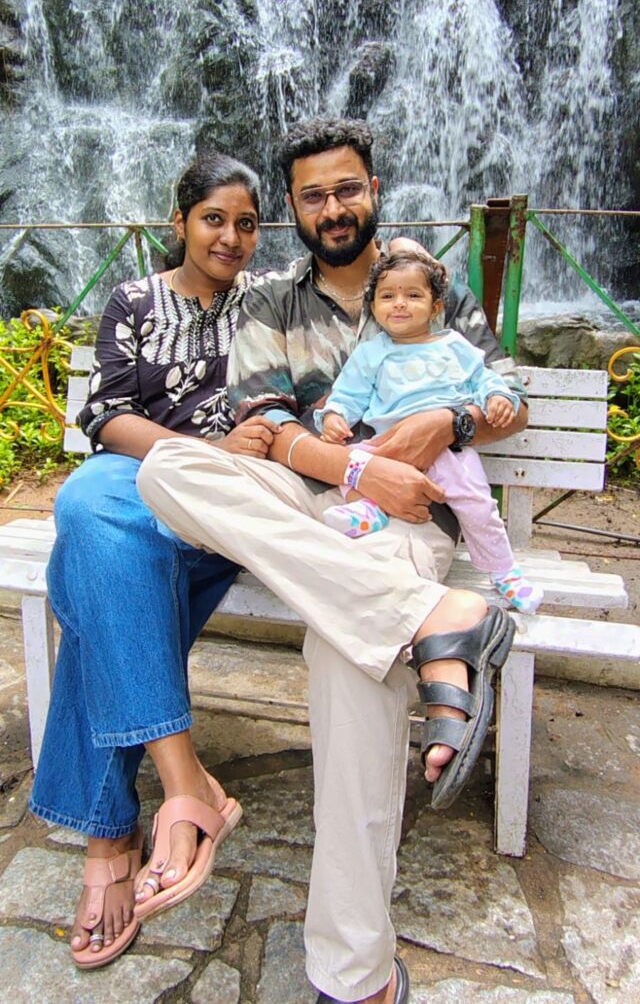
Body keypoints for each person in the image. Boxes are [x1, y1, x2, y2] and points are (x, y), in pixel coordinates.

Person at [137, 118, 527, 1004]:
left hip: (408, 514)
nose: (333, 208)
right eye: (313, 196)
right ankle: (428, 617)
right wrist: (357, 467)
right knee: (167, 469)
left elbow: (510, 395)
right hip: (307, 499)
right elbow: (263, 424)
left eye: (347, 189)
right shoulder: (273, 301)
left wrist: (450, 422)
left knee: (350, 649)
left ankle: (354, 976)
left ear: (374, 191)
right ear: (294, 207)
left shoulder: (434, 286)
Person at [29, 152, 281, 969]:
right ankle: (182, 784)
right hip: (140, 480)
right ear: (180, 222)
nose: (231, 237)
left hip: (222, 506)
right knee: (91, 512)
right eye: (214, 219)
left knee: (90, 568)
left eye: (247, 223)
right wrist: (200, 452)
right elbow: (107, 416)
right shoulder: (134, 299)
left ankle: (110, 837)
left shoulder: (270, 301)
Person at [316, 246, 543, 613]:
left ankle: (504, 571)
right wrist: (334, 416)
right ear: (373, 306)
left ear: (436, 306)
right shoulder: (371, 353)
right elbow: (347, 394)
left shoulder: (454, 346)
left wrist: (498, 396)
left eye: (413, 295)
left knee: (478, 506)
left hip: (449, 452)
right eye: (387, 296)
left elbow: (483, 379)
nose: (399, 304)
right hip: (390, 448)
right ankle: (369, 508)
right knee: (350, 460)